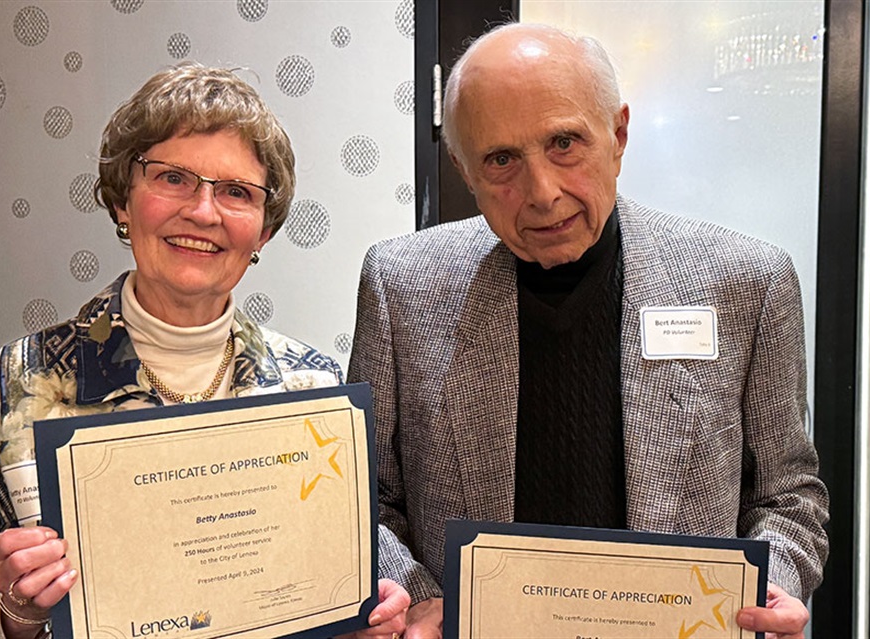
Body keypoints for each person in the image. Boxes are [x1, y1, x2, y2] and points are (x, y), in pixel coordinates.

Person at [349, 23, 829, 639]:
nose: (542, 193)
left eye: (565, 143)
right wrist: (416, 602)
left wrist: (769, 585)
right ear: (464, 169)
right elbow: (367, 502)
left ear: (619, 134)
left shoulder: (746, 283)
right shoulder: (400, 287)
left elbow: (790, 496)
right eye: (501, 160)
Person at [0, 62, 409, 639]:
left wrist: (363, 615)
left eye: (236, 192)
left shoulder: (318, 392)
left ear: (262, 231)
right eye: (173, 178)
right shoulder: (5, 388)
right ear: (122, 203)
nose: (203, 212)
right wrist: (15, 614)